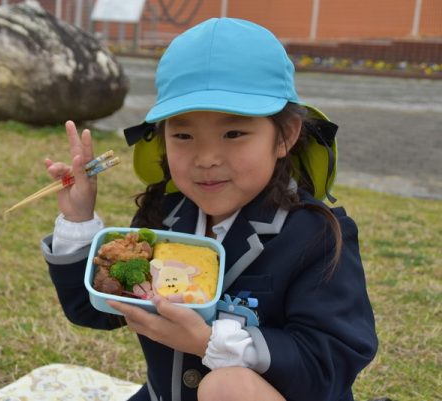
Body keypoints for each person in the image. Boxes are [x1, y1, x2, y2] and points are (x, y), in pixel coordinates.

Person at [41, 18, 377, 401]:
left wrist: (207, 342)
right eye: (183, 135)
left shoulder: (315, 234)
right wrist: (78, 217)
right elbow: (95, 309)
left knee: (225, 386)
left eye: (233, 133)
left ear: (285, 136)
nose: (206, 158)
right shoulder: (163, 218)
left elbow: (330, 361)